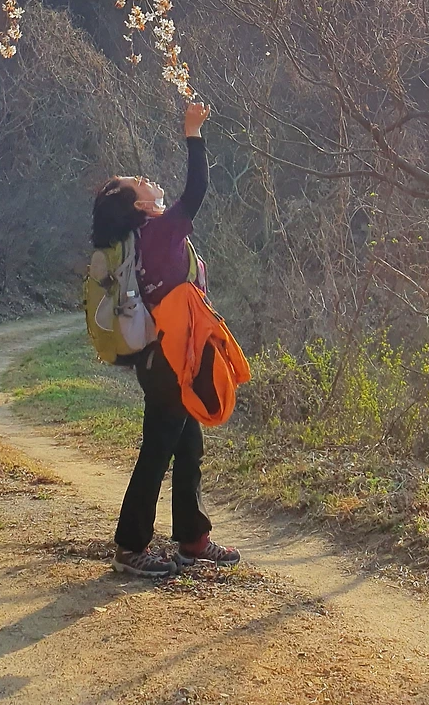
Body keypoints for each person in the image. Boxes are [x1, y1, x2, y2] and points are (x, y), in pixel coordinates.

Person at [91, 100, 241, 579]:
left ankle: (192, 540)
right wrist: (194, 133)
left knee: (187, 446)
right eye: (137, 182)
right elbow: (195, 192)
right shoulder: (157, 233)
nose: (146, 178)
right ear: (140, 206)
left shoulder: (147, 238)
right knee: (158, 450)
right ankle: (131, 546)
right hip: (167, 361)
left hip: (168, 358)